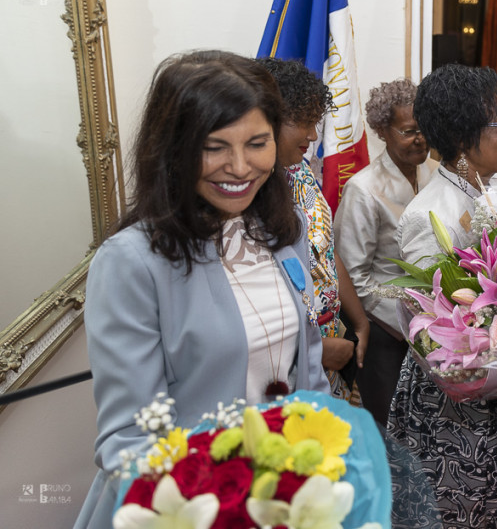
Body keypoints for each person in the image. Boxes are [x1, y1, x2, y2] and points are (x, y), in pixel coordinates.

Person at [74, 51, 330, 529]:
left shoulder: (283, 233)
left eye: (258, 143)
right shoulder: (132, 262)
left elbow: (309, 373)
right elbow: (130, 441)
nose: (239, 167)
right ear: (174, 148)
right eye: (214, 147)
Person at [389, 64, 497, 528]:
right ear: (465, 139)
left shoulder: (489, 195)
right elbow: (432, 337)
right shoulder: (430, 215)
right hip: (458, 411)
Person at [257, 57, 370, 404]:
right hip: (285, 368)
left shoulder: (302, 173)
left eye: (315, 122)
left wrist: (359, 321)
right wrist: (313, 351)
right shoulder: (252, 195)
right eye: (302, 123)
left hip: (330, 344)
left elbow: (326, 249)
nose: (312, 135)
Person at [332, 78, 438, 426]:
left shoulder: (437, 173)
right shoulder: (363, 189)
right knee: (392, 429)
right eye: (408, 131)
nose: (420, 138)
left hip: (436, 328)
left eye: (424, 128)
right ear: (382, 131)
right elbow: (354, 277)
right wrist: (410, 324)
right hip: (385, 333)